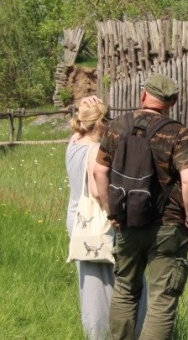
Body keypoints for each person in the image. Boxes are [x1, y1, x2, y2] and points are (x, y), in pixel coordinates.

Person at [93, 74, 188, 340]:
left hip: (127, 222)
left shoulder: (117, 126)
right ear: (172, 102)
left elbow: (99, 173)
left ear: (143, 95)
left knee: (125, 290)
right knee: (162, 300)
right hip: (168, 227)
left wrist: (112, 213)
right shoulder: (177, 131)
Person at [66, 101, 114, 340]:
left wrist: (86, 103)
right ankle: (102, 334)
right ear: (101, 123)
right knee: (103, 286)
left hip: (76, 219)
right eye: (108, 121)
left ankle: (93, 332)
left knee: (88, 283)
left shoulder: (73, 143)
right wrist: (112, 212)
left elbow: (78, 128)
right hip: (95, 222)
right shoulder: (96, 149)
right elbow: (97, 188)